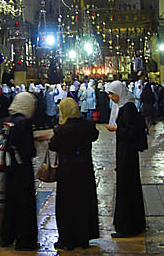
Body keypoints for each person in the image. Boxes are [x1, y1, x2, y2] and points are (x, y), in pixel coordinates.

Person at [46, 98, 99, 250]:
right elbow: (95, 136)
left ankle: (67, 240)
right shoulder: (88, 125)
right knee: (84, 202)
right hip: (85, 170)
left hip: (67, 171)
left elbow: (53, 146)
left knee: (67, 204)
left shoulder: (61, 130)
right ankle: (83, 238)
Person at [0, 92, 38, 251]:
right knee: (24, 205)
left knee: (10, 204)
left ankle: (7, 237)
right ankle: (25, 241)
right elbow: (29, 151)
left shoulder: (8, 121)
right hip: (22, 170)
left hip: (10, 168)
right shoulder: (24, 123)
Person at [105, 81, 146, 238]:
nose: (111, 97)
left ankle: (128, 227)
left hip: (128, 154)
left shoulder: (128, 108)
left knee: (127, 187)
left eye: (112, 94)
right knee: (127, 187)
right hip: (124, 152)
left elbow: (131, 132)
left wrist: (116, 129)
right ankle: (130, 223)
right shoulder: (124, 106)